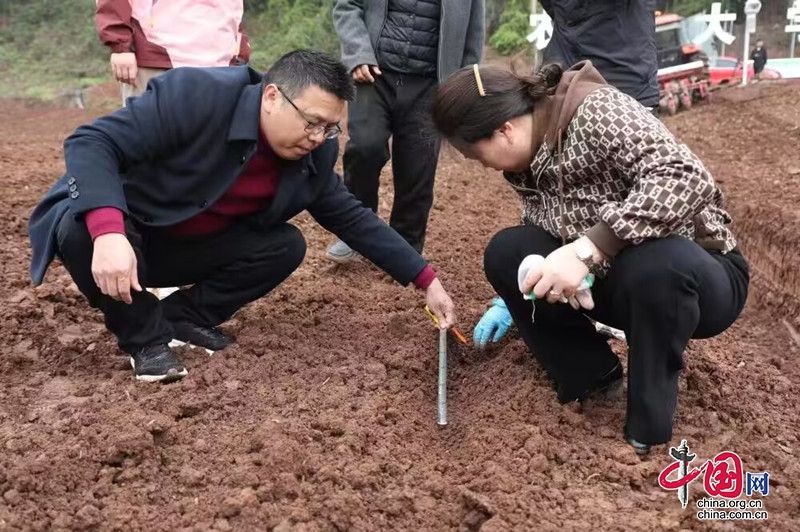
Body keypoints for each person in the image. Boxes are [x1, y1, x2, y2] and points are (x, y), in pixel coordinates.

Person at [29, 50, 455, 384]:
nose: (317, 137)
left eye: (329, 128)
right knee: (80, 228)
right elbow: (91, 141)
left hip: (188, 247)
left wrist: (425, 279)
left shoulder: (313, 156)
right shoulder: (199, 96)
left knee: (286, 246)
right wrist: (109, 232)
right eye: (312, 122)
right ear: (272, 97)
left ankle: (182, 317)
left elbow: (354, 219)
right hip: (128, 238)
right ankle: (145, 340)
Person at [431, 61, 748, 453]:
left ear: (505, 130)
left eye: (479, 156)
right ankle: (592, 379)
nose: (485, 166)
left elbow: (686, 177)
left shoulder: (595, 111)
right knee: (508, 252)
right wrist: (516, 294)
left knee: (654, 265)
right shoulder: (528, 161)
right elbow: (549, 229)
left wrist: (589, 249)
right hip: (618, 280)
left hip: (699, 278)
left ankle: (647, 431)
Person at [474, 0, 659, 348]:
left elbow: (670, 184)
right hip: (563, 74)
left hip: (625, 75)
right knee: (550, 189)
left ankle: (632, 310)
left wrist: (589, 250)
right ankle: (545, 294)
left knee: (629, 197)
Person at [325, 0, 485, 262]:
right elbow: (347, 5)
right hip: (374, 74)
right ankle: (355, 232)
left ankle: (405, 247)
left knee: (418, 166)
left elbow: (473, 35)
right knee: (365, 147)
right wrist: (358, 54)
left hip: (430, 84)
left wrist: (462, 86)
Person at [95, 0, 250, 104]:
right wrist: (120, 43)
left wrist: (240, 46)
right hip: (159, 56)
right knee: (150, 138)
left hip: (222, 61)